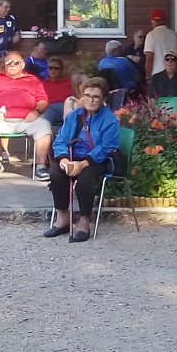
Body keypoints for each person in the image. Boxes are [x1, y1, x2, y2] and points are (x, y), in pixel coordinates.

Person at [45, 77, 122, 243]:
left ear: (103, 100)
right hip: (72, 157)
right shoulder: (73, 116)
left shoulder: (110, 120)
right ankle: (63, 218)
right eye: (87, 95)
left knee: (86, 176)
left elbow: (106, 147)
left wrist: (83, 163)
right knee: (57, 173)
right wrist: (64, 159)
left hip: (98, 160)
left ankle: (85, 220)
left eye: (95, 97)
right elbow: (60, 140)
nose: (91, 100)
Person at [0, 51, 54, 181]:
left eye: (15, 62)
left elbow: (43, 100)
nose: (11, 64)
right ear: (4, 65)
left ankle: (40, 167)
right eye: (8, 62)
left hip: (26, 119)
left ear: (22, 65)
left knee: (44, 127)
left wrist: (36, 112)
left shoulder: (33, 80)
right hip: (0, 119)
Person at [144, 7, 177, 77]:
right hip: (174, 75)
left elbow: (149, 59)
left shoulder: (151, 35)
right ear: (165, 20)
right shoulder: (175, 35)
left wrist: (148, 77)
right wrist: (176, 70)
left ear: (153, 21)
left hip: (157, 76)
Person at [41, 58, 73, 124]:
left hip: (68, 106)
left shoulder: (70, 82)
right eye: (50, 68)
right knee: (43, 119)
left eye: (57, 68)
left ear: (61, 70)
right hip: (50, 108)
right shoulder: (42, 84)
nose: (53, 70)